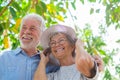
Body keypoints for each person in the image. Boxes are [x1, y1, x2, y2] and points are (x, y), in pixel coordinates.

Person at [0, 13, 59, 80]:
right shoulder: (3, 58)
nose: (27, 31)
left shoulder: (51, 63)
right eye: (24, 27)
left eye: (32, 28)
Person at [34, 24, 102, 80]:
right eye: (53, 43)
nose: (57, 45)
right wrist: (43, 61)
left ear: (72, 46)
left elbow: (83, 60)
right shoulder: (54, 76)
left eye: (61, 40)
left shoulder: (84, 68)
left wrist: (79, 45)